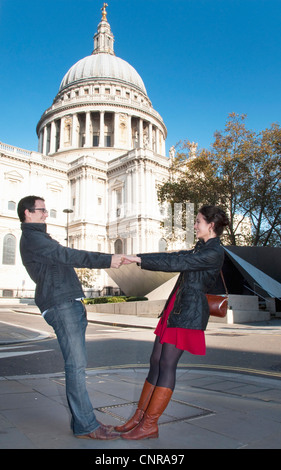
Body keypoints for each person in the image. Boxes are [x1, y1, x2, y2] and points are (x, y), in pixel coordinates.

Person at [117, 205, 229, 440]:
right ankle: (138, 418)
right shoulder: (199, 248)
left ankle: (150, 424)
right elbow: (171, 257)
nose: (195, 225)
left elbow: (174, 264)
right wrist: (138, 258)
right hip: (175, 308)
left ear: (210, 225)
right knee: (155, 360)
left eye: (198, 221)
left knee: (167, 364)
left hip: (188, 314)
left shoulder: (214, 252)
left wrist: (138, 259)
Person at [17, 195, 122, 440]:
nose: (46, 214)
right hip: (60, 303)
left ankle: (86, 421)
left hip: (66, 301)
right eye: (41, 210)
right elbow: (69, 255)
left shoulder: (39, 238)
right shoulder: (33, 239)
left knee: (78, 366)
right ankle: (86, 426)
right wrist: (108, 259)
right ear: (28, 214)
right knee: (76, 367)